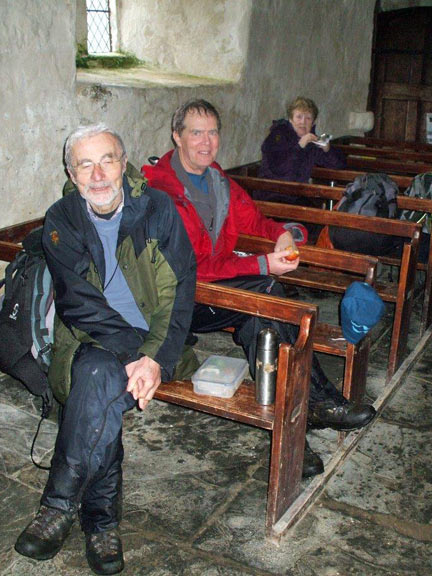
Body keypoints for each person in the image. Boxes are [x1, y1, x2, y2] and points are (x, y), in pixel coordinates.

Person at [142, 99, 376, 479]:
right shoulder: (161, 192)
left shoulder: (217, 179)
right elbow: (194, 269)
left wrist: (280, 235)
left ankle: (296, 430)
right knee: (267, 290)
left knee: (262, 323)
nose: (206, 141)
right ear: (177, 137)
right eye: (196, 132)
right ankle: (319, 403)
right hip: (178, 304)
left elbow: (254, 219)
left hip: (216, 291)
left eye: (213, 132)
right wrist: (263, 263)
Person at [14, 124, 198, 575]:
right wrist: (133, 357)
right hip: (89, 341)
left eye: (107, 160)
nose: (97, 175)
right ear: (71, 172)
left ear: (124, 162)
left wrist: (154, 356)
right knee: (99, 378)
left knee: (97, 390)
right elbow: (79, 305)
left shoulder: (158, 209)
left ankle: (59, 509)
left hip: (159, 344)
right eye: (84, 164)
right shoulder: (62, 218)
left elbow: (182, 290)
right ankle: (99, 521)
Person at [256, 96, 346, 206]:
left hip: (296, 196)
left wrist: (327, 149)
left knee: (318, 216)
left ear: (313, 123)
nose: (303, 122)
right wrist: (300, 146)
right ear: (291, 119)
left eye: (308, 118)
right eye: (299, 117)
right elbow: (280, 168)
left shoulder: (311, 142)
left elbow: (338, 165)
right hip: (271, 195)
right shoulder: (277, 136)